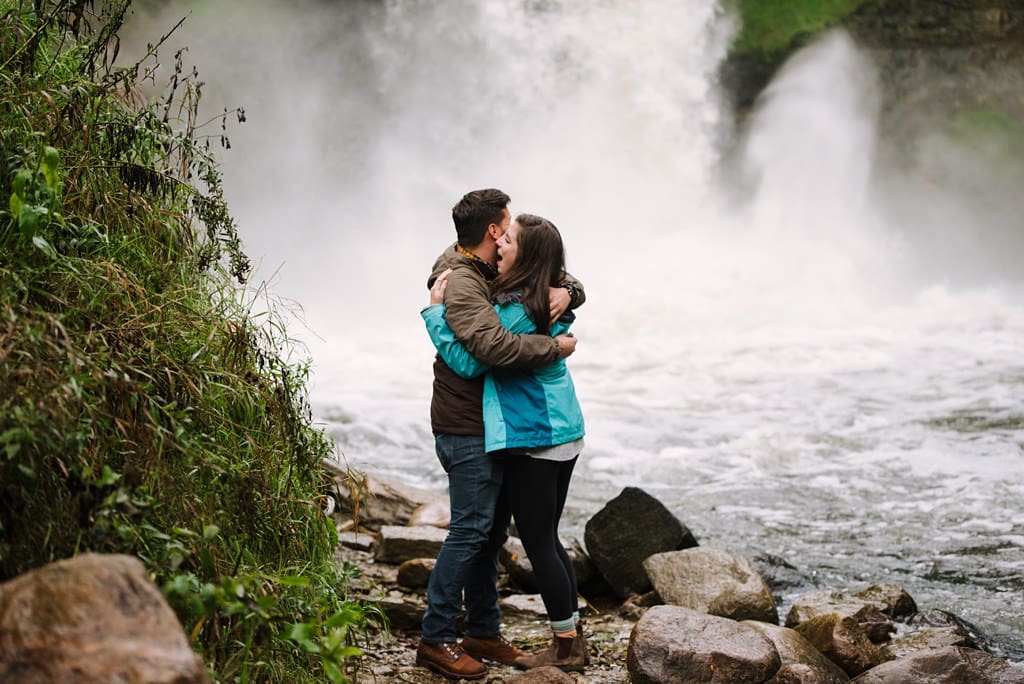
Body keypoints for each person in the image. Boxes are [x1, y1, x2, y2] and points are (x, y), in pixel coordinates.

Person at [415, 190, 585, 681]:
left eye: (515, 236)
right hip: (469, 425)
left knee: (491, 535)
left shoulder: (515, 285)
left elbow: (549, 262)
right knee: (477, 531)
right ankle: (437, 638)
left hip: (511, 429)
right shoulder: (468, 282)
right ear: (493, 232)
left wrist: (570, 290)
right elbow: (475, 356)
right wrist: (554, 345)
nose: (508, 237)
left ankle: (486, 631)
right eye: (506, 229)